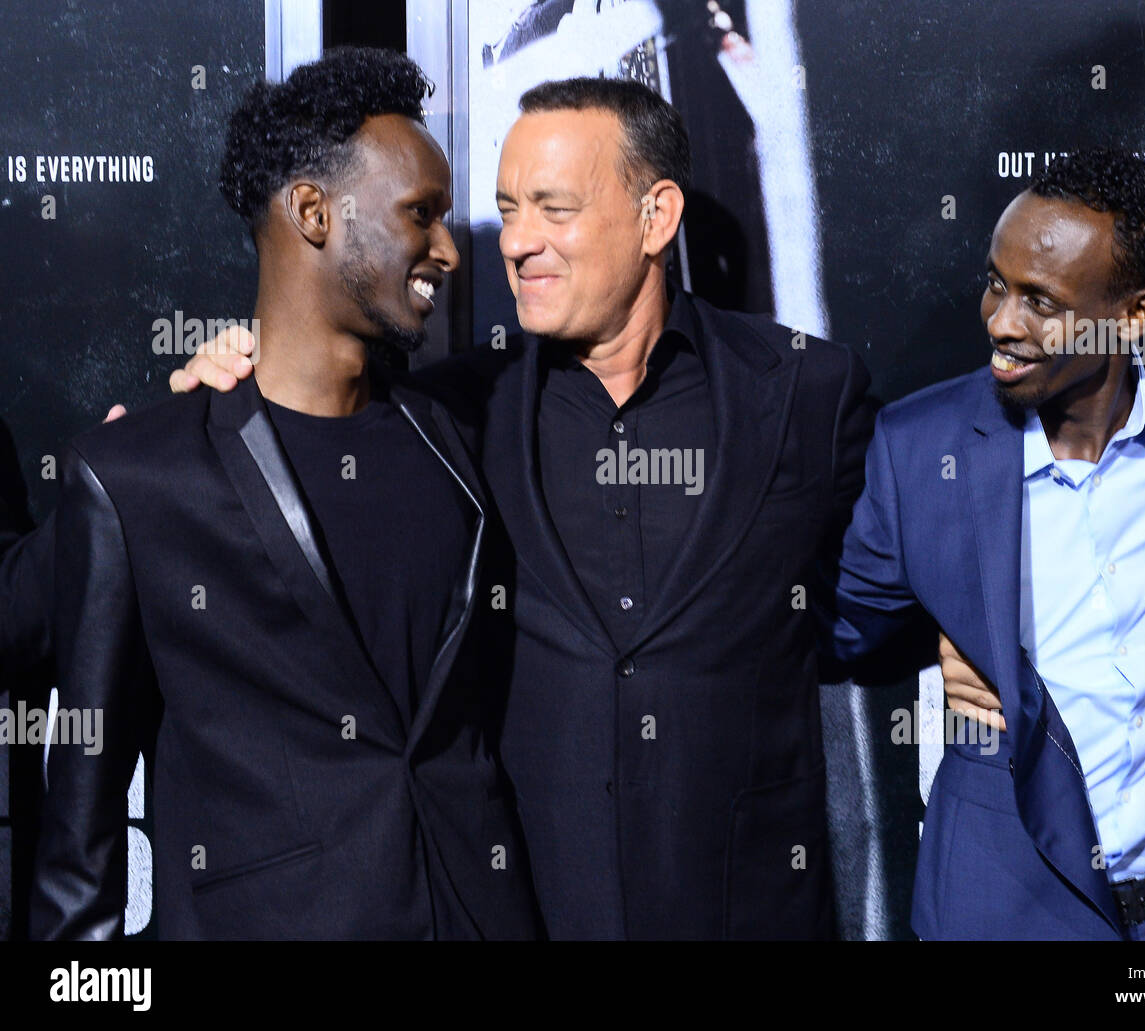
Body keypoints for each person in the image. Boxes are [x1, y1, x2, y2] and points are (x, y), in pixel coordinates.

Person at [176, 76, 872, 940]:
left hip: (747, 910)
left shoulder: (807, 390)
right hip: (524, 909)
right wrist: (226, 380)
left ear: (656, 217)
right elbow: (291, 447)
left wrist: (963, 641)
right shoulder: (443, 415)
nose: (516, 243)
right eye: (508, 211)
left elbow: (878, 590)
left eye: (553, 208)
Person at [28, 46, 540, 940]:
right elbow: (82, 845)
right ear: (312, 211)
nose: (452, 251)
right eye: (422, 213)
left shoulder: (454, 443)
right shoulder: (142, 478)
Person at [833, 148, 1145, 940]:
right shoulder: (920, 449)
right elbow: (843, 632)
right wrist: (946, 630)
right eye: (996, 281)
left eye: (1041, 301)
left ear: (1136, 315)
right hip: (1005, 912)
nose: (999, 322)